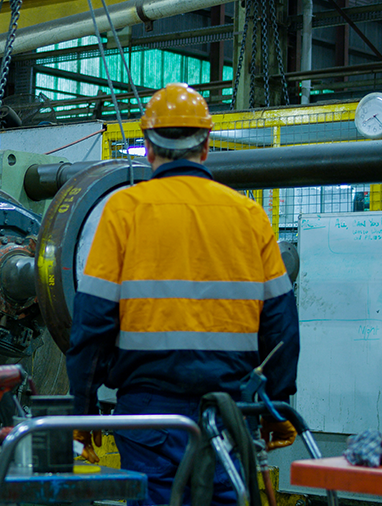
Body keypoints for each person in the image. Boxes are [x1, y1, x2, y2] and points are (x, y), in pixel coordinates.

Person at [66, 83, 300, 505]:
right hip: (230, 414)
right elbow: (281, 323)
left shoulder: (124, 211)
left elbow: (93, 320)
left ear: (148, 148)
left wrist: (81, 409)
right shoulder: (249, 215)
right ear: (206, 145)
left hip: (149, 416)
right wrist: (277, 405)